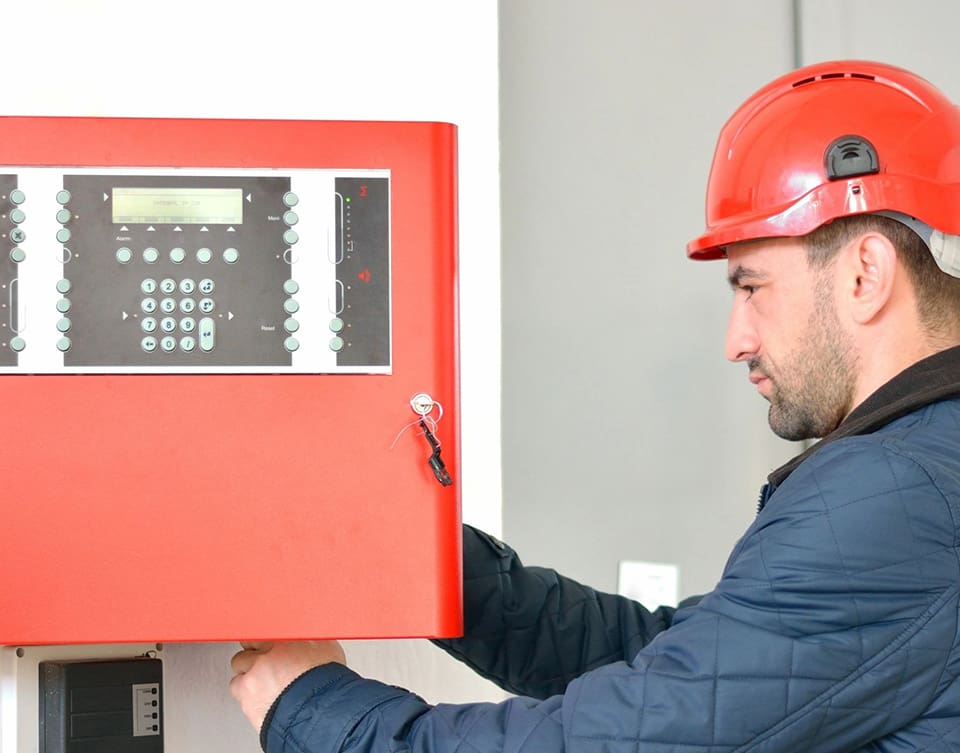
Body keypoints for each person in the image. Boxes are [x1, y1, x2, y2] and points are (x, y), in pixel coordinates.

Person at [229, 59, 960, 752]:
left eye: (752, 286)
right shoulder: (928, 466)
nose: (735, 340)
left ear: (865, 273)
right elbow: (669, 662)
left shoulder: (897, 495)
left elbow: (618, 737)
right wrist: (414, 550)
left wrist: (312, 706)